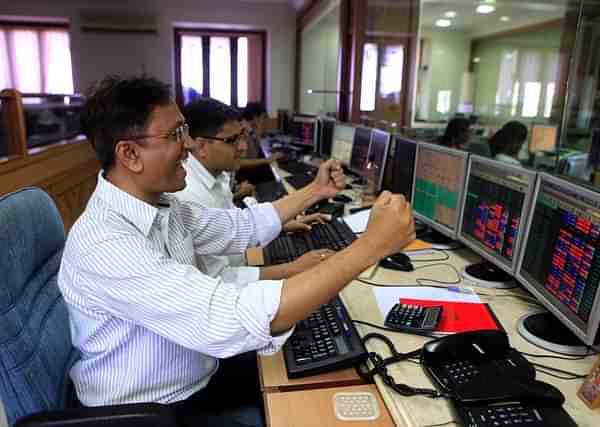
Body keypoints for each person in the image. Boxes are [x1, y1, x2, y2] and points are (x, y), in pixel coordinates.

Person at [59, 75, 415, 427]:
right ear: (130, 154)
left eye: (184, 130)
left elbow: (239, 228)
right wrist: (370, 246)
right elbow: (228, 318)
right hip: (150, 412)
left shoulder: (163, 207)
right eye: (174, 135)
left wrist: (314, 191)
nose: (188, 145)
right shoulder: (105, 244)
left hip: (194, 374)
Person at [175, 96, 332, 281]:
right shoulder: (189, 195)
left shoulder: (217, 175)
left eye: (241, 137)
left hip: (244, 264)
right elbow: (220, 279)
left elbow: (236, 225)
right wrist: (292, 269)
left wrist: (281, 224)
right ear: (201, 146)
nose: (242, 147)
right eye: (232, 140)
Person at [233, 102, 282, 185]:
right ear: (255, 117)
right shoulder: (242, 131)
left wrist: (258, 127)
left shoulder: (249, 128)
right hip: (245, 174)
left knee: (272, 172)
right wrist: (267, 160)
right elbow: (241, 162)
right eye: (262, 117)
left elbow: (256, 145)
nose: (263, 120)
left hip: (250, 169)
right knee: (275, 177)